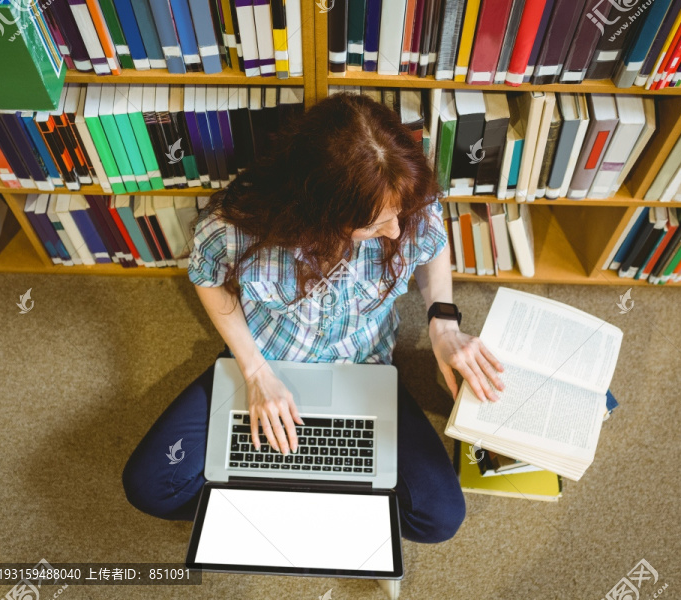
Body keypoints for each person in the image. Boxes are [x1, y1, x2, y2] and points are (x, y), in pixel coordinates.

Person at [122, 92, 507, 544]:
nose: (397, 232)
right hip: (268, 360)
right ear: (323, 214)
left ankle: (281, 500)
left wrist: (443, 325)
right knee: (149, 487)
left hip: (363, 369)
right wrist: (255, 371)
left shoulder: (402, 195)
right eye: (375, 225)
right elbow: (207, 277)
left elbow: (433, 243)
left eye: (398, 216)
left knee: (439, 518)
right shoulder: (235, 224)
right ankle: (297, 502)